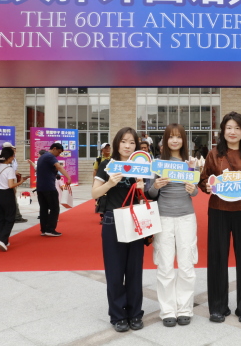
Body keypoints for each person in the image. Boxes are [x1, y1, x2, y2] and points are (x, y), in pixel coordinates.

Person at [198, 111, 241, 324]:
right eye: (229, 128)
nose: (233, 132)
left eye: (237, 128)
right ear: (223, 131)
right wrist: (207, 185)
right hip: (218, 210)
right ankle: (218, 307)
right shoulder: (214, 154)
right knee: (217, 258)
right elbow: (203, 180)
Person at [92, 127, 146, 333]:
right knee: (114, 271)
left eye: (132, 142)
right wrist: (109, 183)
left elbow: (146, 195)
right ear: (117, 143)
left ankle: (135, 313)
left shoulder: (140, 165)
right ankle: (118, 315)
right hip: (112, 220)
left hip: (135, 220)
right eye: (124, 141)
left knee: (134, 270)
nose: (127, 146)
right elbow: (94, 193)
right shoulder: (107, 164)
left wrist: (141, 187)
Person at [147, 123, 198, 328]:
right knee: (165, 265)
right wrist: (156, 185)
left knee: (186, 264)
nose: (175, 140)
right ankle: (167, 310)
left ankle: (184, 309)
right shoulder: (158, 164)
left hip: (186, 217)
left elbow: (195, 191)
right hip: (164, 217)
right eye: (171, 137)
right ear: (165, 140)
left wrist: (192, 188)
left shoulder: (190, 163)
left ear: (184, 140)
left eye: (178, 137)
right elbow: (150, 192)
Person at [0, 147, 28, 251]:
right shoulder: (9, 169)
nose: (13, 158)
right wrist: (21, 182)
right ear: (9, 157)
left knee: (1, 218)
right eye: (13, 156)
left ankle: (4, 240)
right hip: (7, 194)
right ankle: (1, 238)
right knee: (10, 218)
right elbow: (11, 185)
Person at [36, 143, 71, 237]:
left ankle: (44, 229)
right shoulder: (50, 156)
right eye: (58, 152)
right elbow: (59, 167)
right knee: (54, 208)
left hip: (40, 187)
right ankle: (50, 229)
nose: (58, 155)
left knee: (43, 209)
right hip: (49, 187)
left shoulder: (42, 157)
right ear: (54, 148)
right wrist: (68, 177)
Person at [3, 141, 28, 223]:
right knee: (12, 199)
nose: (14, 150)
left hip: (9, 180)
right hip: (9, 181)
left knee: (10, 199)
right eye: (12, 149)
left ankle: (12, 216)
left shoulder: (7, 159)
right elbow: (10, 172)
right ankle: (16, 217)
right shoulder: (8, 159)